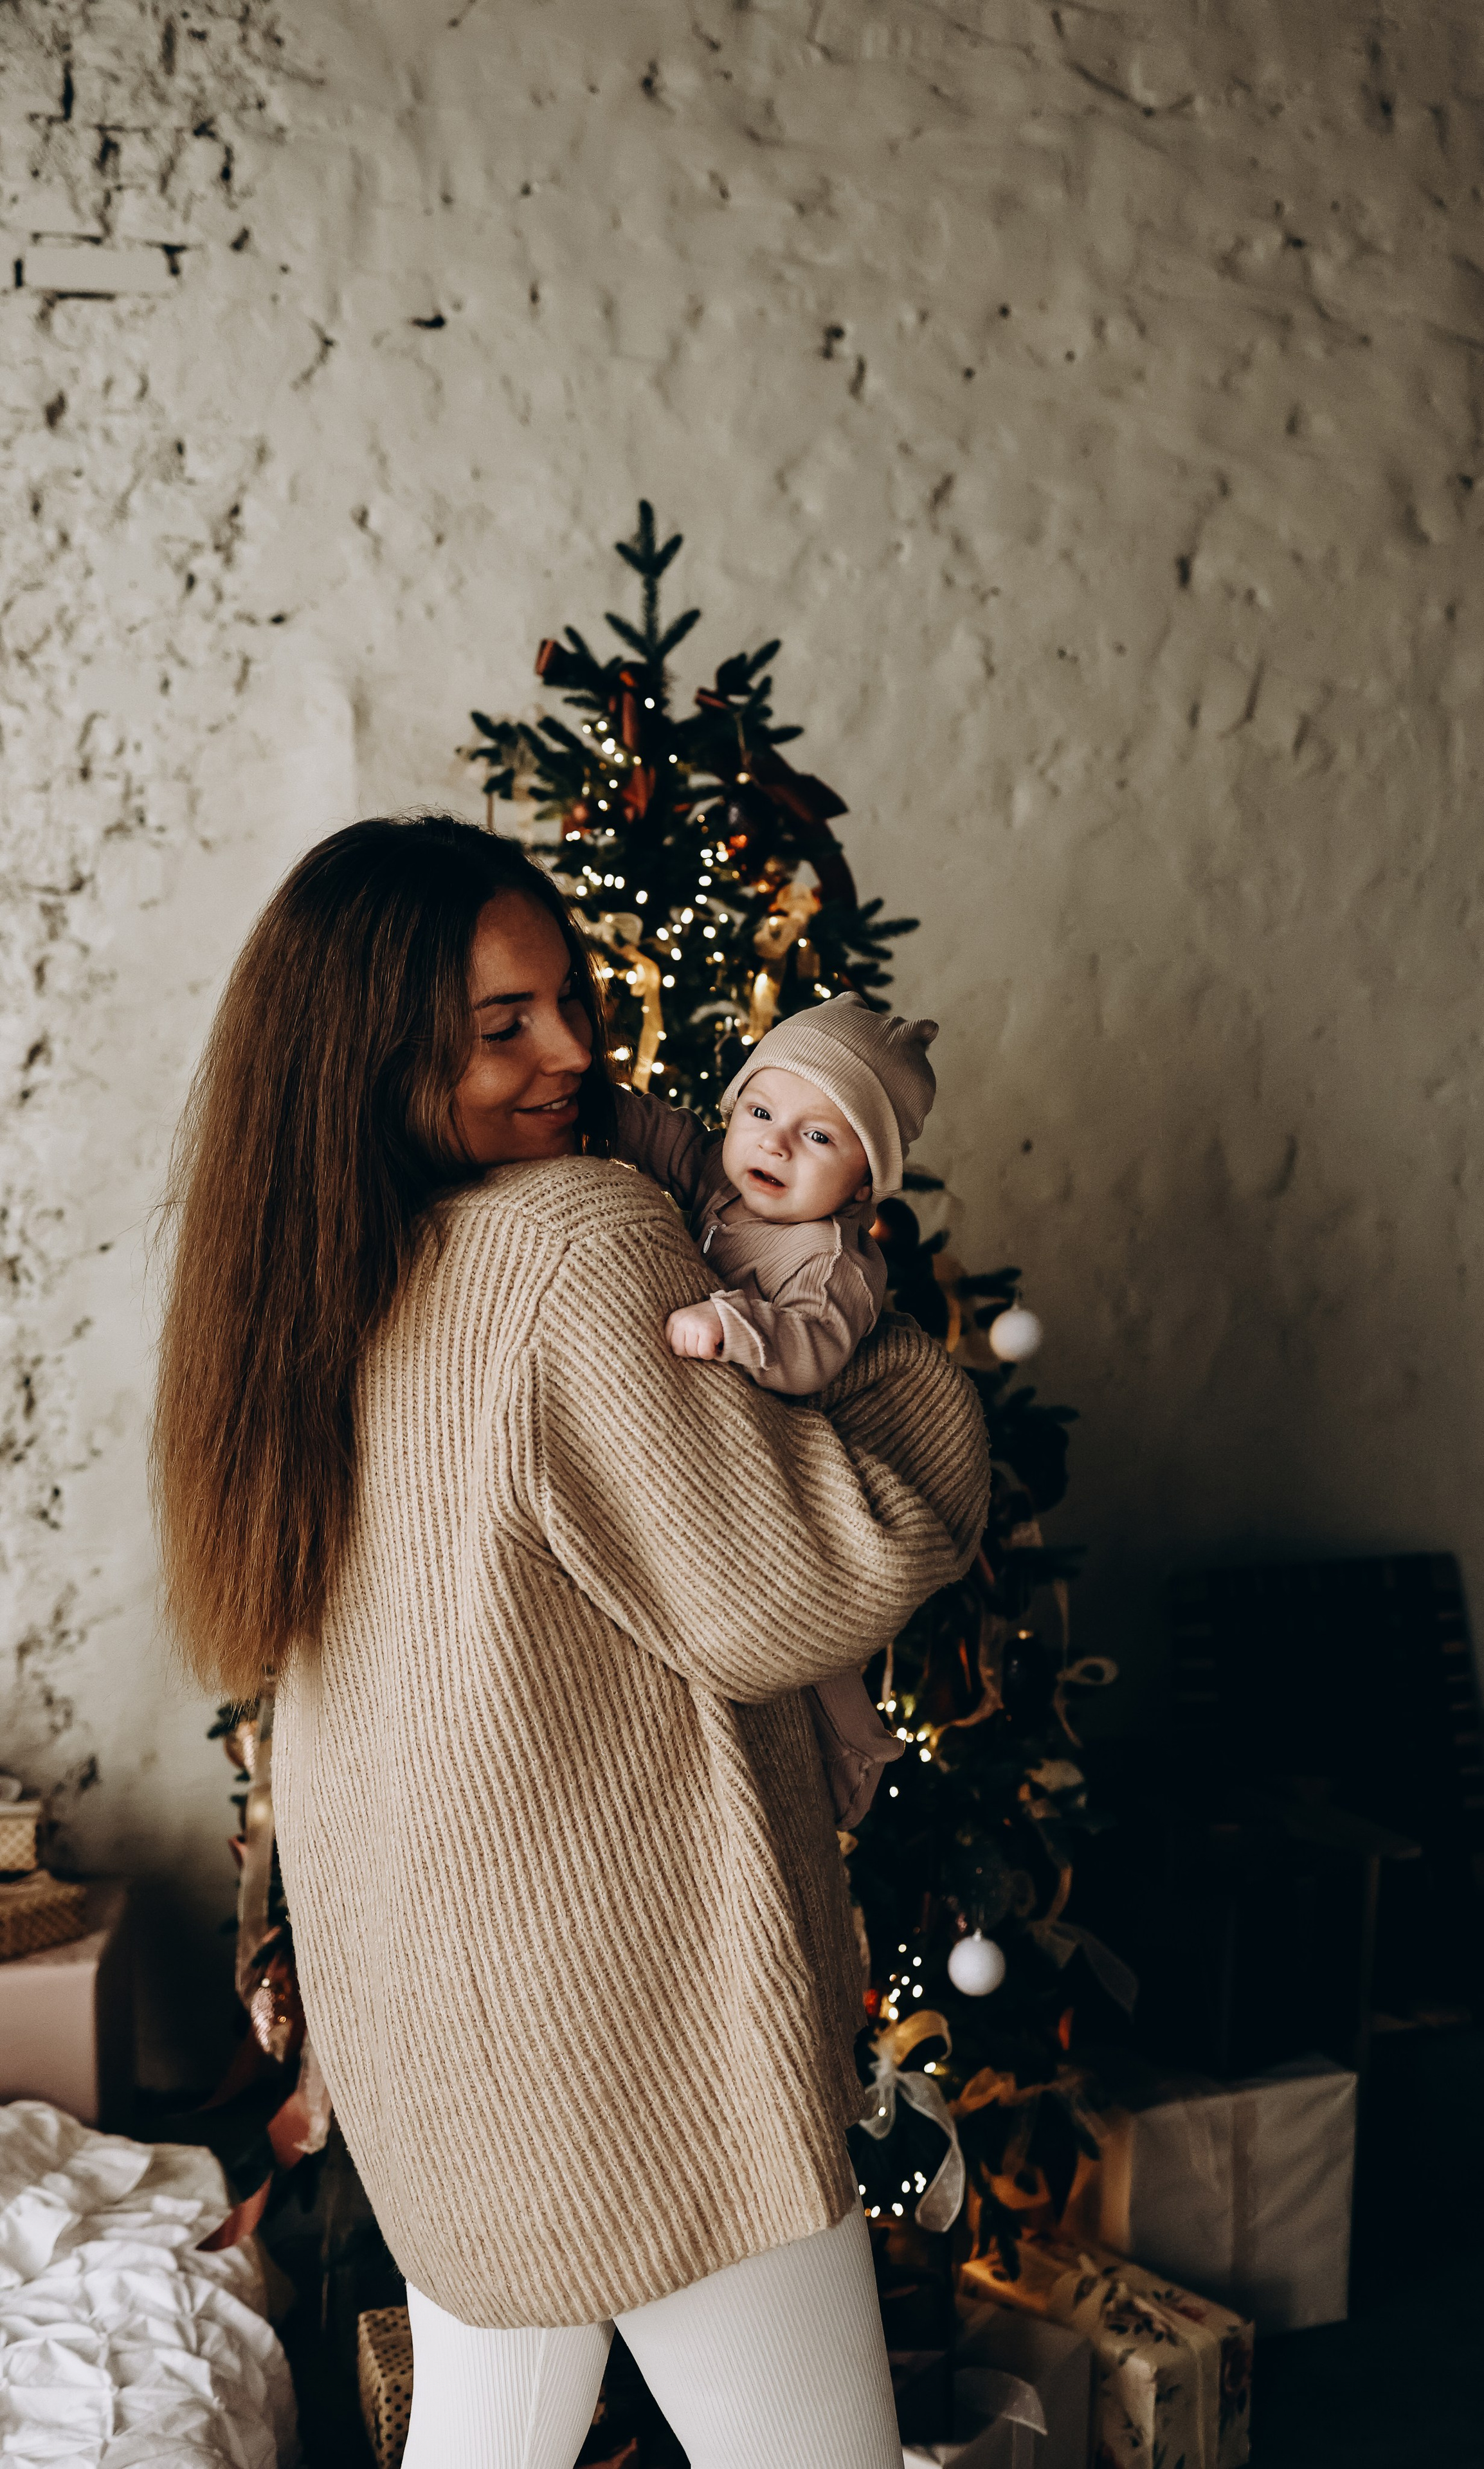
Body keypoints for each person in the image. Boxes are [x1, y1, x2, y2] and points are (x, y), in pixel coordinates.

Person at [151, 814, 990, 2469]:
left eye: (567, 1005)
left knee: (485, 2442)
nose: (573, 1055)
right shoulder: (574, 1239)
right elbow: (809, 1582)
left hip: (446, 2035)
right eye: (501, 1027)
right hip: (637, 2046)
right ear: (372, 1055)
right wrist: (892, 1357)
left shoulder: (308, 1285)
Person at [615, 995, 942, 1829]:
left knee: (805, 1626)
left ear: (864, 1181)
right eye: (759, 1110)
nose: (775, 1142)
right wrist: (594, 1103)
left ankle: (853, 1741)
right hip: (711, 1432)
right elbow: (666, 1137)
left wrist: (732, 1325)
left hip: (786, 1447)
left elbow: (812, 1351)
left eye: (820, 1136)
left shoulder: (834, 1260)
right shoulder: (724, 1182)